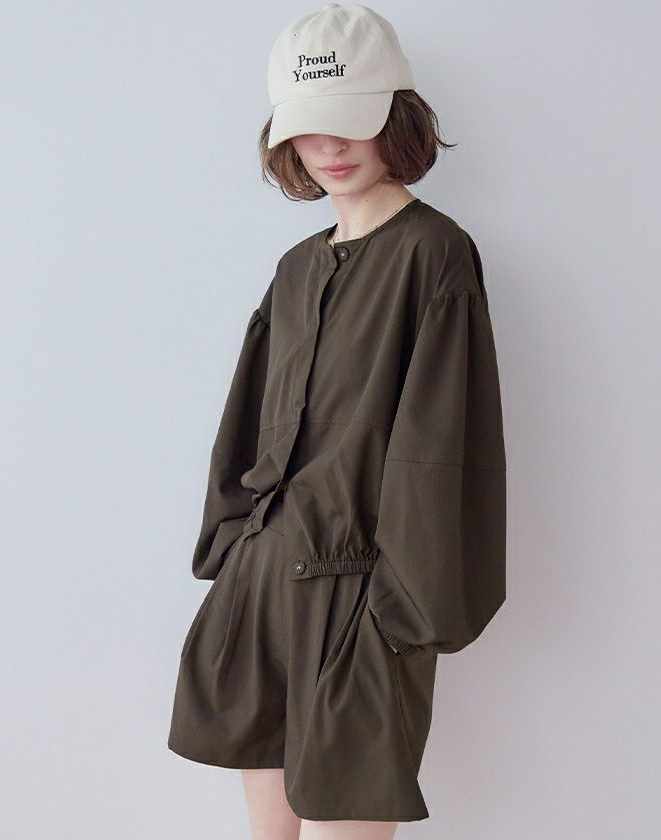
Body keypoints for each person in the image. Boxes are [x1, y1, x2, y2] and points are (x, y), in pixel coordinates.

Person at [168, 4, 507, 839]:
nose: (329, 145)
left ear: (398, 116)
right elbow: (247, 424)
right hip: (262, 584)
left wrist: (403, 610)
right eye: (308, 126)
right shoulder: (295, 269)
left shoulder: (434, 253)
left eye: (351, 119)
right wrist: (233, 548)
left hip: (362, 596)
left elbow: (443, 444)